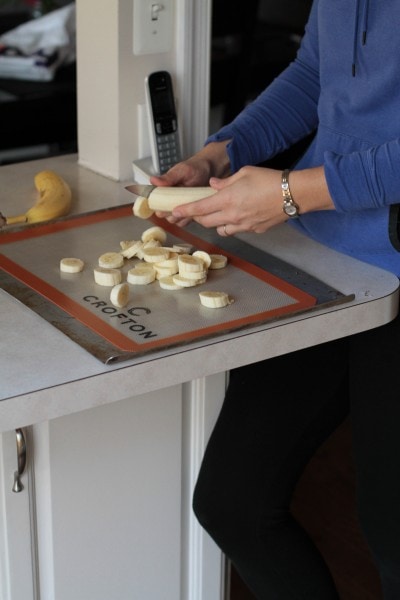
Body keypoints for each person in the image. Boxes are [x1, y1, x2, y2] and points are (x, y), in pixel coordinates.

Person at [150, 1, 400, 598]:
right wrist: (223, 150)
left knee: (394, 536)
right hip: (326, 254)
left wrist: (293, 193)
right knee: (234, 503)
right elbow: (316, 72)